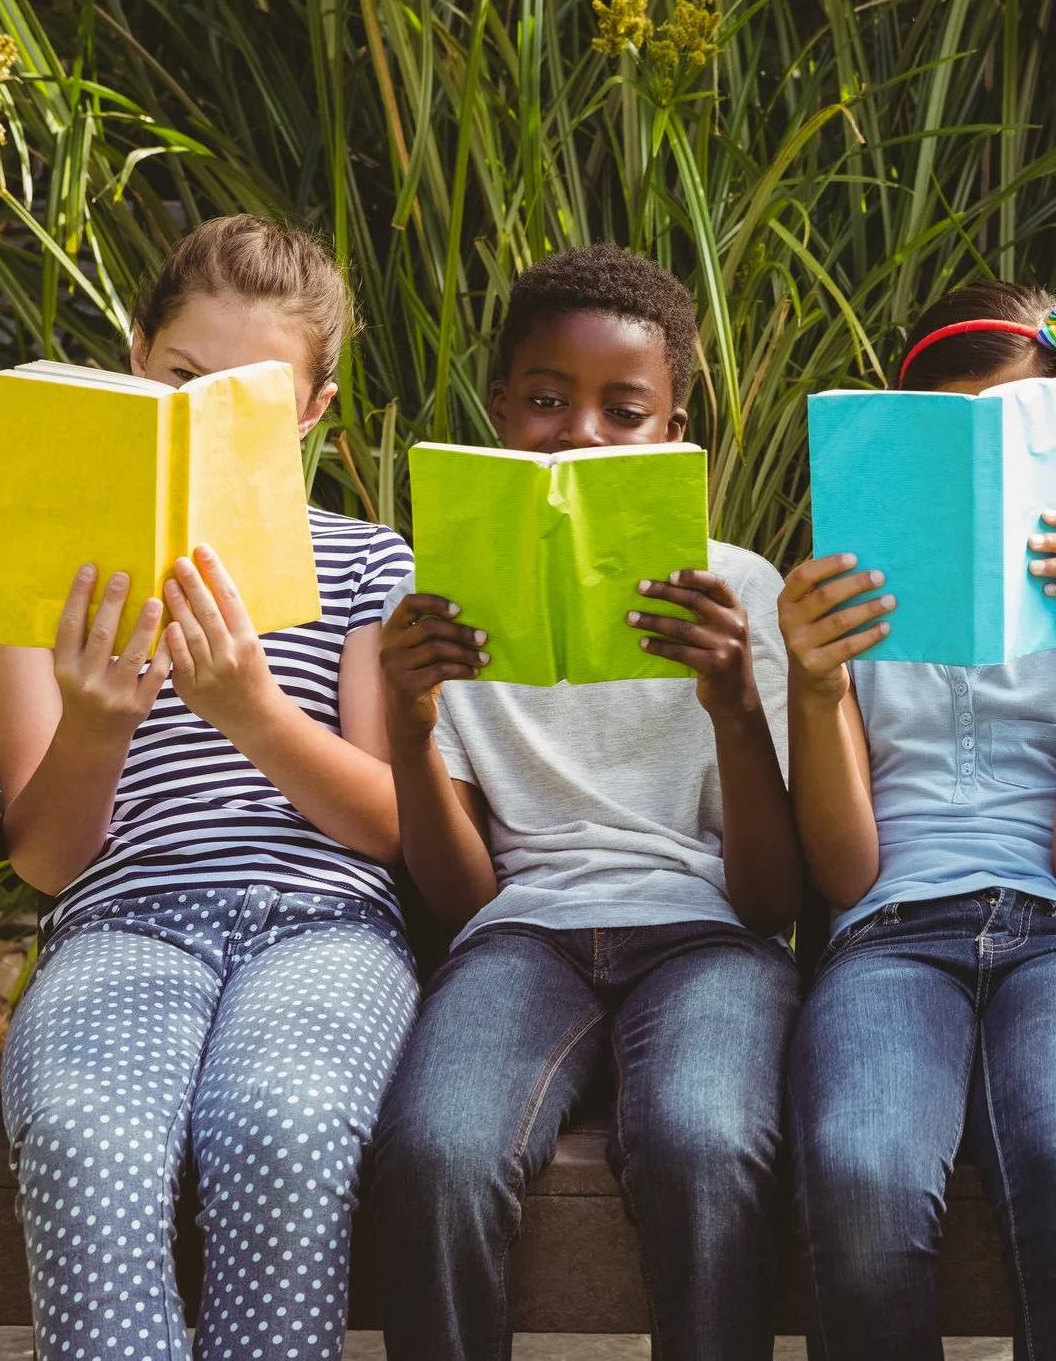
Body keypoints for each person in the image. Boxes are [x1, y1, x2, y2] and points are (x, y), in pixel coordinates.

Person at [0, 214, 415, 1361]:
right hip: (120, 919)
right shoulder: (26, 570)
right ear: (136, 359)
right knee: (80, 1134)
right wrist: (100, 723)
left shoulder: (367, 562)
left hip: (325, 924)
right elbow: (47, 858)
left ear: (310, 411)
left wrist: (253, 713)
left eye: (254, 394)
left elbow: (389, 826)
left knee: (284, 1123)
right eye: (183, 376)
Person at [367, 244, 802, 1361]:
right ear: (501, 406)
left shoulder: (738, 590)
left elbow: (766, 898)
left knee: (706, 1141)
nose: (582, 434)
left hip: (707, 937)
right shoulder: (436, 601)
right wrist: (412, 728)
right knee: (439, 1149)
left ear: (673, 429)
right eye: (549, 401)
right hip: (522, 935)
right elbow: (465, 896)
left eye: (626, 410)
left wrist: (732, 703)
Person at [780, 282, 1056, 1360]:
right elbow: (846, 871)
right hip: (890, 932)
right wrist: (815, 690)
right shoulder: (849, 607)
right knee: (860, 1176)